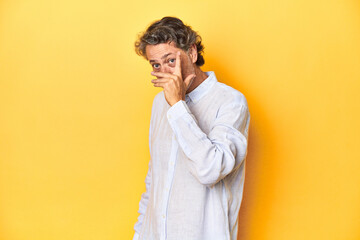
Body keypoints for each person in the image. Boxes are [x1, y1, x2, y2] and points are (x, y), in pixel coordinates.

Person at [132, 16, 250, 240]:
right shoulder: (160, 104)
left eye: (170, 61)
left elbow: (210, 170)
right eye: (156, 65)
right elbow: (155, 178)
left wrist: (178, 106)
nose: (165, 72)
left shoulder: (231, 102)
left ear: (192, 53)